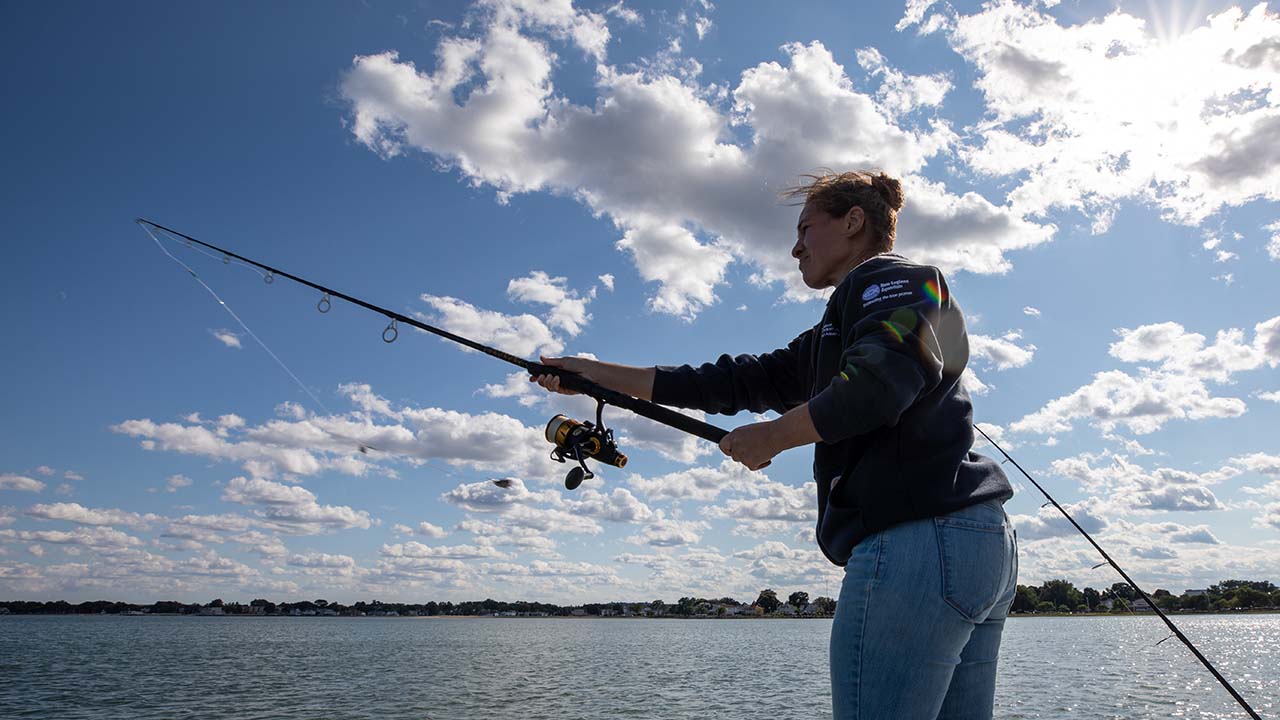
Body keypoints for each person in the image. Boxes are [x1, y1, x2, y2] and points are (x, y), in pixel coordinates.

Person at [531, 170, 1018, 719]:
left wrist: (774, 436)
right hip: (969, 544)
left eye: (806, 228)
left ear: (853, 221)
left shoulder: (895, 280)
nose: (795, 248)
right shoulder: (838, 326)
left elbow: (877, 387)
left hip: (919, 541)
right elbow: (733, 382)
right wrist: (592, 374)